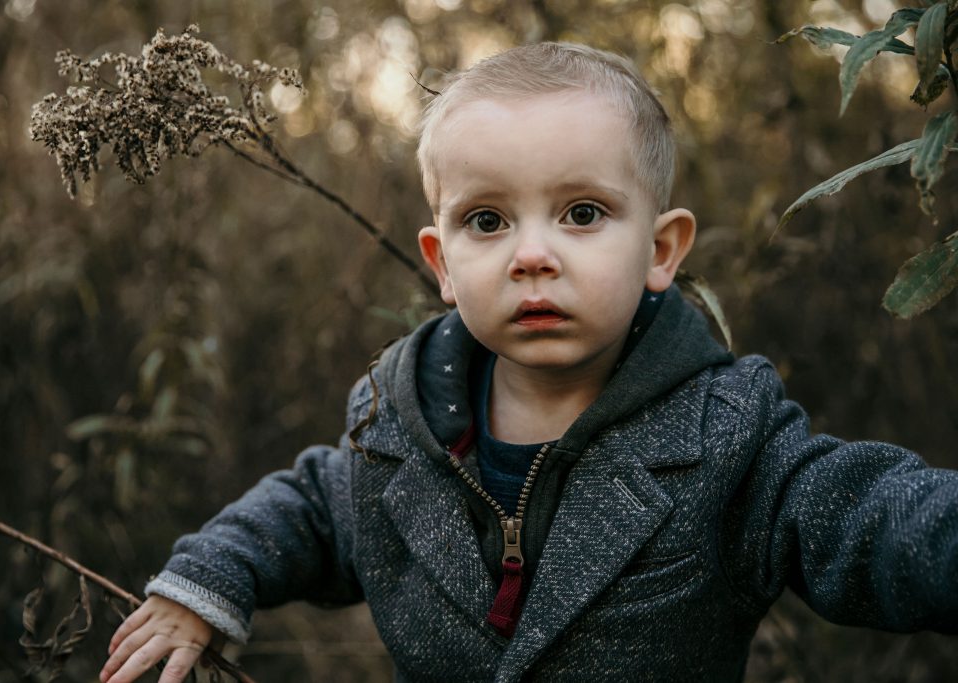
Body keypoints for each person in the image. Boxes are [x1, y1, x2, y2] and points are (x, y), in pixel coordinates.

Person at [99, 42, 958, 683]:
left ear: (661, 250)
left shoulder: (729, 437)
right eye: (487, 220)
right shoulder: (398, 429)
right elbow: (315, 506)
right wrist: (206, 579)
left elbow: (866, 516)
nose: (531, 255)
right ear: (441, 263)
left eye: (582, 212)